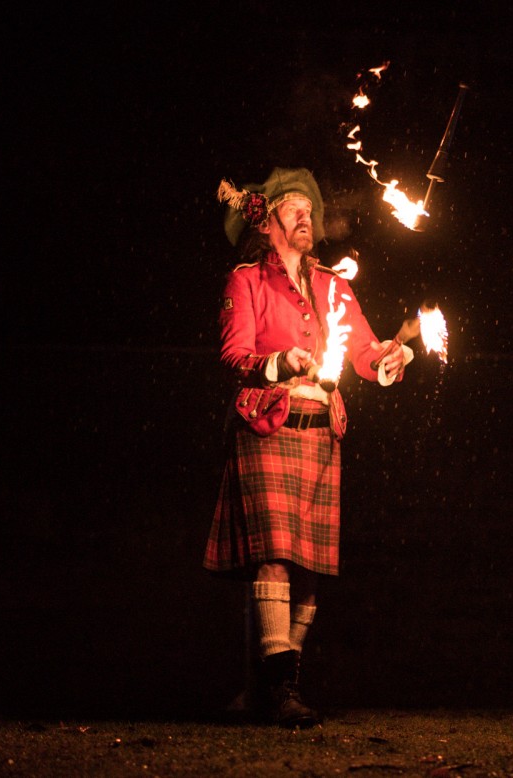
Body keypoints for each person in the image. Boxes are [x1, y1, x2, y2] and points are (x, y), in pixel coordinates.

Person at [203, 167, 413, 728]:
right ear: (267, 223)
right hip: (267, 427)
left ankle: (270, 684)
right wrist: (279, 363)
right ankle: (280, 691)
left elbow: (366, 354)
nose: (305, 216)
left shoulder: (334, 287)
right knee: (273, 557)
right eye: (292, 208)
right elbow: (233, 357)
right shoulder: (245, 281)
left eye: (308, 208)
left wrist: (390, 362)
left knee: (311, 568)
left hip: (322, 436)